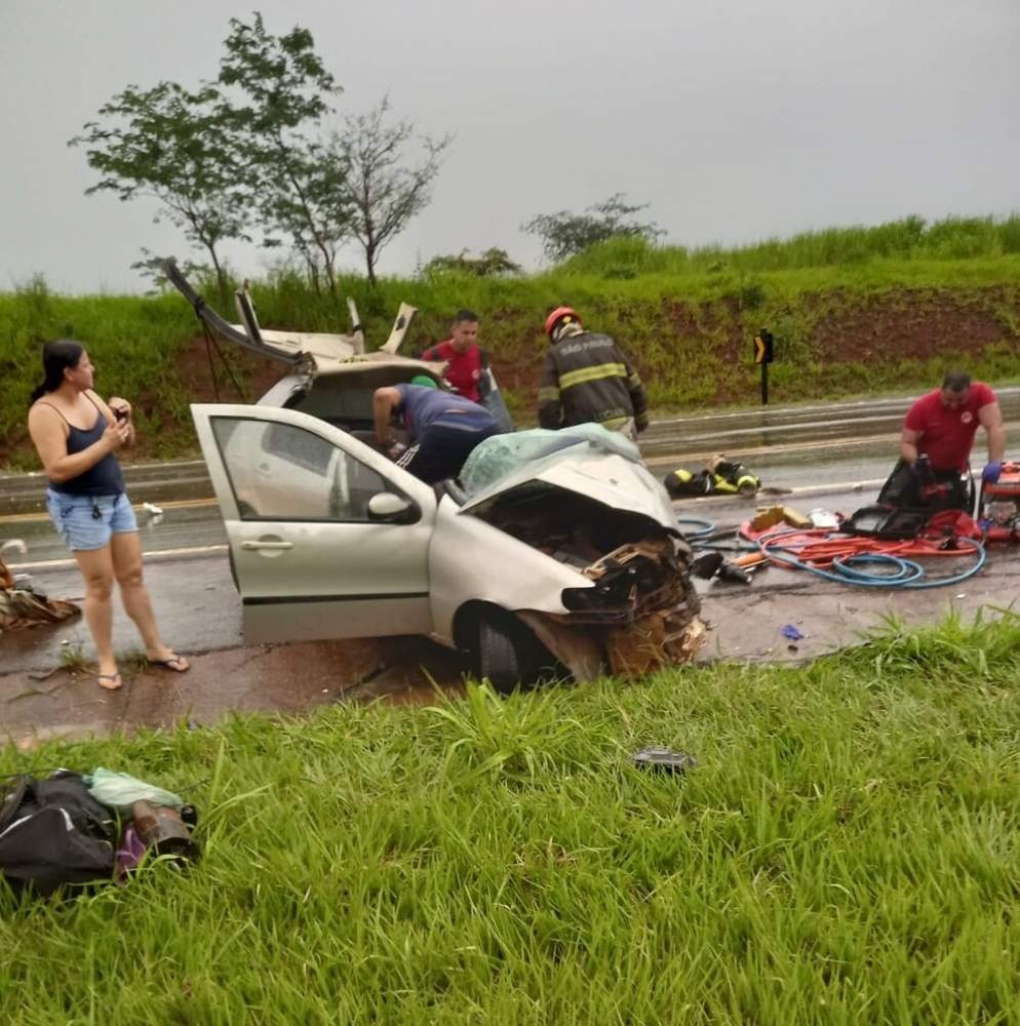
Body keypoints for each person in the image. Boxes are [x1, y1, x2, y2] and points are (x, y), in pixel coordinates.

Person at [26, 341, 189, 690]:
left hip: (115, 500)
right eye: (87, 364)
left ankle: (155, 647)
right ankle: (106, 660)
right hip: (79, 507)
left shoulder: (90, 397)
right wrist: (105, 444)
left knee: (133, 575)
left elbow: (126, 444)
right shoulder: (45, 412)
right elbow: (57, 469)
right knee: (100, 586)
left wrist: (124, 421)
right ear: (68, 373)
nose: (93, 369)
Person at [878, 370, 1006, 510]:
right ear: (941, 390)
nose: (954, 405)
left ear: (969, 391)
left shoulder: (981, 394)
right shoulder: (923, 407)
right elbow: (907, 442)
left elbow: (995, 427)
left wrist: (995, 462)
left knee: (952, 519)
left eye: (960, 401)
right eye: (949, 400)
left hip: (952, 473)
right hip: (918, 470)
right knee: (889, 508)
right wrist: (916, 463)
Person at [538, 306, 649, 439]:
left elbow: (548, 406)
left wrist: (554, 437)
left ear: (554, 334)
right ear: (578, 325)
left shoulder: (555, 355)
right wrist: (641, 422)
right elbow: (636, 388)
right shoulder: (608, 343)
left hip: (586, 437)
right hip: (624, 430)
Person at [372, 375, 499, 484]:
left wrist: (383, 439)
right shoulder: (440, 397)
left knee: (398, 479)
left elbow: (382, 395)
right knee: (465, 483)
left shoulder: (408, 390)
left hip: (448, 422)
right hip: (489, 427)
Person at [421, 309, 489, 403]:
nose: (470, 338)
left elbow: (489, 393)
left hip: (474, 407)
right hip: (446, 407)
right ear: (453, 331)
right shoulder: (434, 355)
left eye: (473, 333)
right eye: (465, 333)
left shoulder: (480, 354)